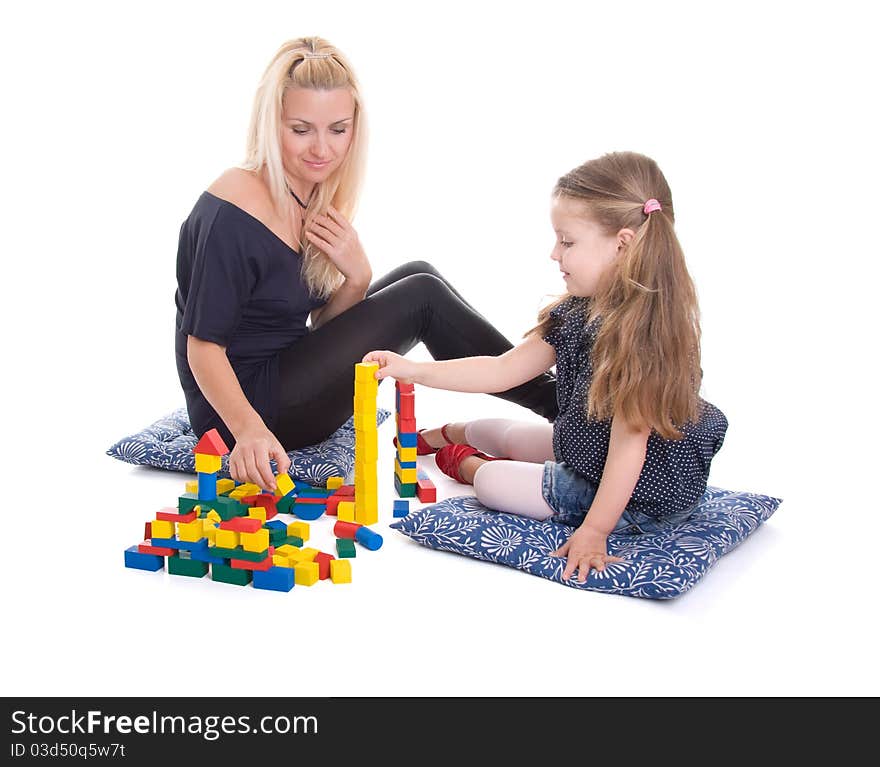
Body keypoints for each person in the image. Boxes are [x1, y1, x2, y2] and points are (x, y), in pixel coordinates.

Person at [174, 36, 557, 494]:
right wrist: (251, 431)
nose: (322, 149)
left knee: (421, 273)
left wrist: (357, 278)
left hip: (284, 376)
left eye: (338, 129)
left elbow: (319, 332)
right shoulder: (232, 209)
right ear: (270, 125)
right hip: (239, 408)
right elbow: (203, 348)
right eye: (301, 130)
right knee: (422, 298)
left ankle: (558, 398)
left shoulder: (306, 190)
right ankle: (561, 407)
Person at [364, 151, 729, 583]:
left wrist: (594, 530)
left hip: (637, 489)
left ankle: (463, 461)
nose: (554, 253)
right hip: (595, 448)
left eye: (568, 242)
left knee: (494, 483)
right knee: (509, 433)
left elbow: (629, 449)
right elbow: (502, 370)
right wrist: (412, 370)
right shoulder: (578, 311)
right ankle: (453, 431)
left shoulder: (646, 339)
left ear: (623, 244)